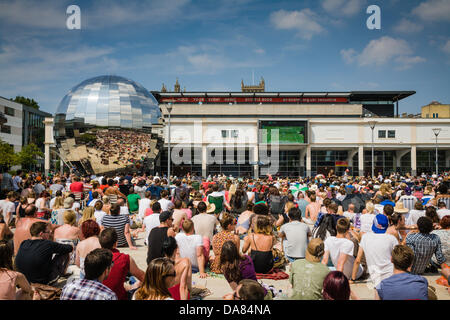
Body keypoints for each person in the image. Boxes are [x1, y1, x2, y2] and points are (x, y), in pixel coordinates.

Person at [351, 214, 398, 287]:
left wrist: (352, 279)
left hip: (376, 277)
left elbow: (358, 260)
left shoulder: (365, 238)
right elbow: (398, 258)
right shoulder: (392, 239)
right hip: (392, 274)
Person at [99, 228, 145, 300]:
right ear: (116, 243)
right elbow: (142, 276)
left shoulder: (94, 257)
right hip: (119, 297)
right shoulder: (124, 258)